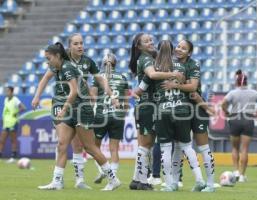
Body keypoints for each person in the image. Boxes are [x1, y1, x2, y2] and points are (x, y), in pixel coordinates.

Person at [32, 33, 115, 189]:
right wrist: (37, 96)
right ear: (69, 46)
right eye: (76, 43)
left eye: (81, 43)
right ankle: (58, 180)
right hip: (63, 103)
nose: (80, 46)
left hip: (79, 106)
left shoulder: (87, 62)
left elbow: (93, 81)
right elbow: (46, 78)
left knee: (81, 146)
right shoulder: (60, 61)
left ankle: (81, 179)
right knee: (63, 143)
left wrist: (108, 95)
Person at [139, 40, 206, 192]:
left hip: (164, 111)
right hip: (182, 110)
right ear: (172, 50)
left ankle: (170, 183)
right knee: (187, 147)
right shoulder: (182, 68)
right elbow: (189, 85)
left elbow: (140, 89)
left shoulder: (155, 69)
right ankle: (200, 179)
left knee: (166, 148)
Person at [128, 33, 185, 190]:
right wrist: (174, 74)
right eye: (146, 41)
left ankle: (136, 179)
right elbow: (152, 75)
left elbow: (140, 88)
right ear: (139, 46)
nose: (151, 42)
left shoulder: (149, 59)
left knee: (144, 144)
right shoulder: (146, 59)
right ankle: (143, 181)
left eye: (151, 40)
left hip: (145, 105)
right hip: (148, 106)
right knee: (146, 145)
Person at [162, 39, 216, 192]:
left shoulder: (194, 64)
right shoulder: (171, 64)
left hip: (196, 109)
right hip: (181, 109)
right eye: (178, 46)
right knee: (178, 147)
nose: (179, 49)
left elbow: (193, 86)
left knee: (203, 146)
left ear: (189, 53)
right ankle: (173, 182)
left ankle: (210, 184)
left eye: (183, 48)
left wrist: (175, 85)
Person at [221, 69, 257, 182]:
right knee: (245, 149)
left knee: (234, 148)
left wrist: (226, 112)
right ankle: (242, 176)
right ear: (247, 82)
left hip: (235, 119)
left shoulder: (233, 93)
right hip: (248, 119)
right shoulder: (253, 93)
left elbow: (223, 103)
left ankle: (236, 171)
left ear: (237, 82)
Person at [92, 53, 130, 183]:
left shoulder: (98, 78)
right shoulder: (123, 78)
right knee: (114, 149)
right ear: (116, 63)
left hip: (101, 115)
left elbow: (93, 97)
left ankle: (104, 171)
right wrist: (122, 115)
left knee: (94, 147)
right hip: (117, 116)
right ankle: (113, 175)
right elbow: (126, 102)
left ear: (102, 64)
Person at [0, 86, 26, 163]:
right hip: (6, 123)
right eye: (6, 91)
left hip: (13, 122)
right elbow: (6, 111)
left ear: (12, 92)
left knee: (13, 140)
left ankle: (13, 157)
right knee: (2, 140)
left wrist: (16, 112)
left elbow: (23, 107)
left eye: (8, 91)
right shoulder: (5, 100)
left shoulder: (15, 99)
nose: (6, 93)